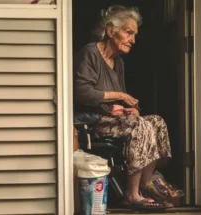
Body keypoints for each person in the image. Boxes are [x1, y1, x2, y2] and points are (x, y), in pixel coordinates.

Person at [73, 5, 172, 209]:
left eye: (134, 34)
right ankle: (132, 194)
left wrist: (129, 109)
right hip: (91, 123)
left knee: (156, 122)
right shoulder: (91, 53)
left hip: (112, 120)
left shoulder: (118, 63)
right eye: (129, 33)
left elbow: (119, 102)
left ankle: (144, 187)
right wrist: (120, 97)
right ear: (111, 31)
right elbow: (82, 92)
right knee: (139, 126)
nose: (133, 40)